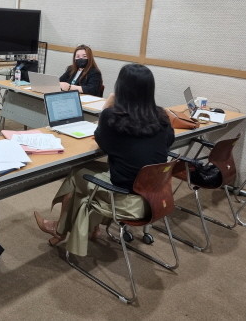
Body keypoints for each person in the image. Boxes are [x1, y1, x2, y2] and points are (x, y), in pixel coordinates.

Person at [34, 64, 174, 256]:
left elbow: (101, 140)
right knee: (89, 172)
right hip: (156, 195)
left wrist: (109, 102)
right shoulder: (162, 117)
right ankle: (90, 229)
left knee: (76, 174)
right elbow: (167, 142)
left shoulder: (113, 117)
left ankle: (59, 229)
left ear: (120, 87)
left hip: (126, 198)